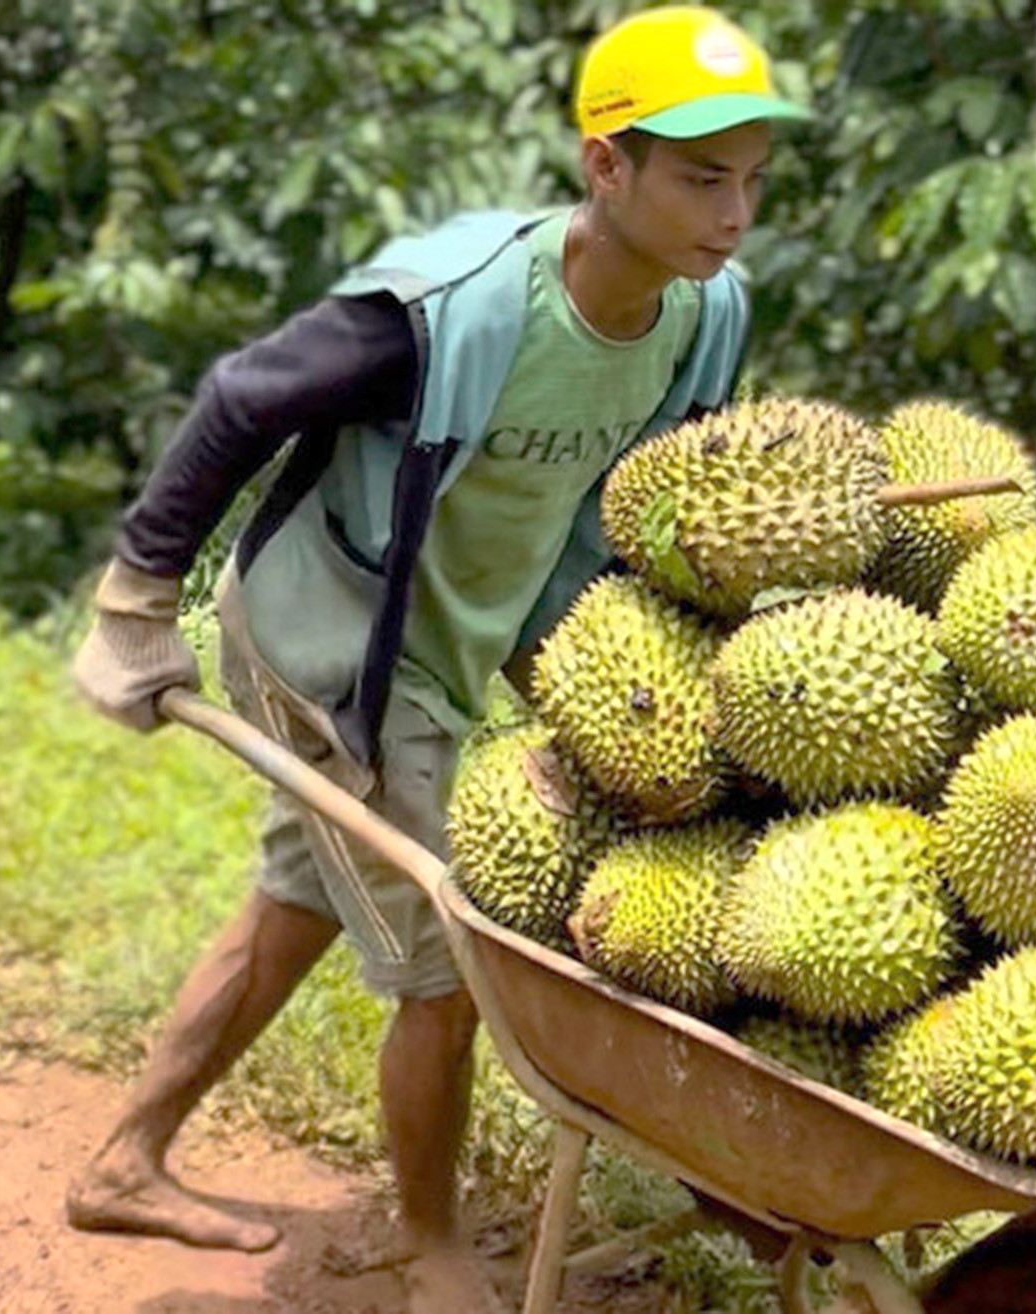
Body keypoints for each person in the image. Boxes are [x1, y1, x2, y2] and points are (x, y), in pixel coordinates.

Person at [65, 7, 809, 1310]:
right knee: (449, 947)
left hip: (457, 647)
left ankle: (125, 1160)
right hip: (329, 641)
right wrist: (138, 593)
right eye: (702, 176)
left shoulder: (703, 316)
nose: (734, 211)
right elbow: (243, 396)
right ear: (606, 166)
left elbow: (651, 507)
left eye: (751, 178)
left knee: (301, 896)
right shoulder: (452, 309)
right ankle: (430, 1244)